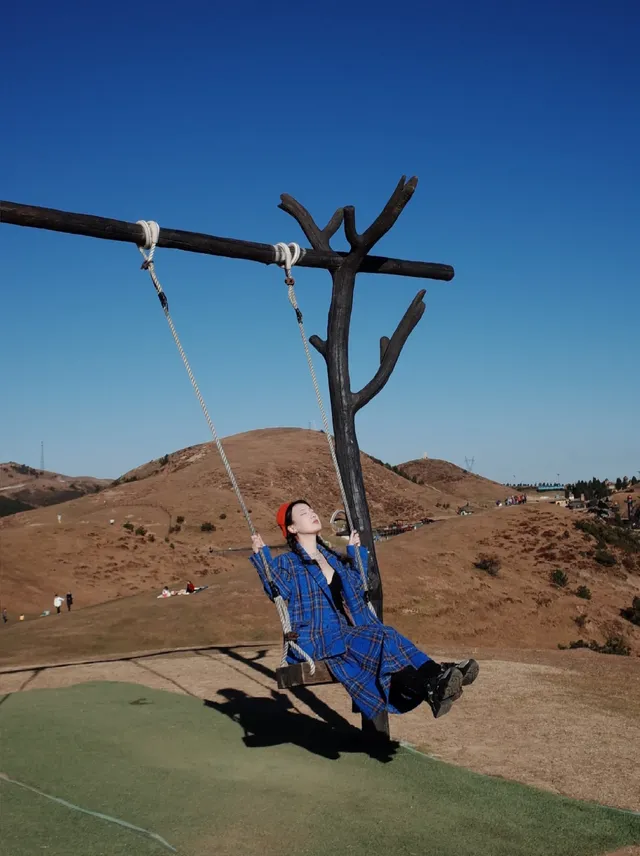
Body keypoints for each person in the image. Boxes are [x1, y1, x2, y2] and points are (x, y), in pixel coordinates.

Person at [250, 500, 479, 721]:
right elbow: (277, 590)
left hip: (346, 632)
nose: (312, 513)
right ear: (292, 528)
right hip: (316, 638)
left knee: (386, 636)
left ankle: (435, 682)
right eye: (303, 513)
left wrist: (355, 554)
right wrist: (263, 558)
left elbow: (358, 587)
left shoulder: (333, 559)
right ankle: (437, 678)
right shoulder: (287, 563)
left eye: (311, 509)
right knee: (383, 636)